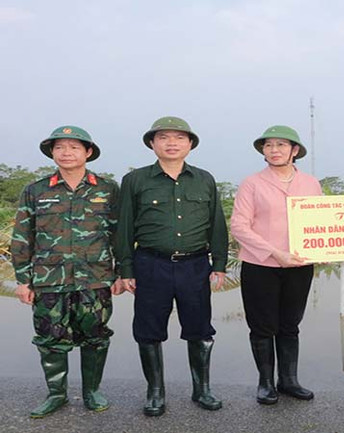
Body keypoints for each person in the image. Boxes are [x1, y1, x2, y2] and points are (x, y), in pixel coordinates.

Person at [115, 116, 227, 416]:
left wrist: (219, 264)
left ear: (190, 144)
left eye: (179, 138)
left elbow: (217, 224)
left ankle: (201, 389)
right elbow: (123, 228)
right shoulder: (135, 180)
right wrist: (125, 270)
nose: (172, 143)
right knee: (148, 330)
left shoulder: (204, 179)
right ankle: (155, 392)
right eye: (163, 137)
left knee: (200, 328)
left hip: (194, 266)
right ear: (152, 144)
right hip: (151, 265)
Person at [11, 126, 120, 418]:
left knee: (95, 336)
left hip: (94, 278)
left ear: (88, 152)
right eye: (60, 147)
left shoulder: (107, 189)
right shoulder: (36, 190)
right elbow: (22, 237)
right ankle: (56, 394)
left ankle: (91, 391)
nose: (67, 152)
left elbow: (118, 234)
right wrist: (23, 280)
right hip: (48, 280)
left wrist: (121, 272)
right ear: (52, 153)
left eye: (74, 147)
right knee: (49, 339)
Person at [230, 125, 322, 405]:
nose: (274, 150)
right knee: (262, 326)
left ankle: (289, 380)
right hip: (260, 265)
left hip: (299, 265)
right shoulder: (252, 183)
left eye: (281, 145)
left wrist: (325, 247)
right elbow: (239, 226)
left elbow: (320, 222)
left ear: (294, 151)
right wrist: (273, 252)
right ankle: (266, 382)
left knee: (290, 324)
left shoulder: (310, 183)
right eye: (268, 145)